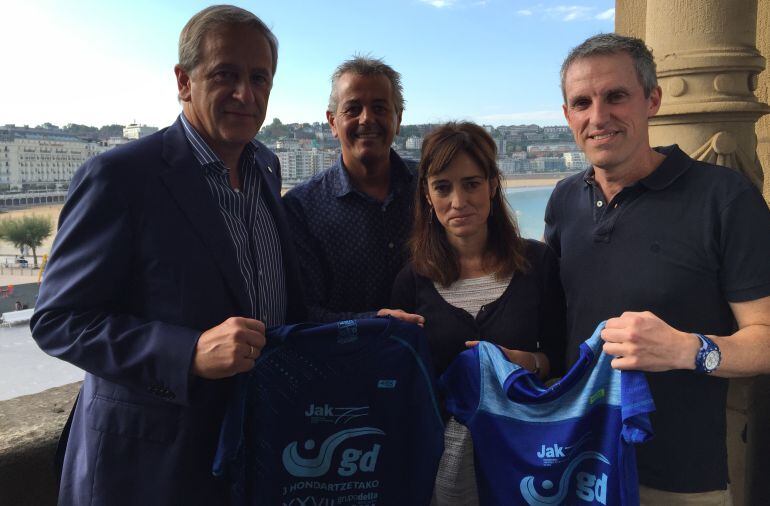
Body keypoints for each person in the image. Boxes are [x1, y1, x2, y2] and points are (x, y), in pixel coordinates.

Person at [30, 6, 304, 505]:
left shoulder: (266, 165)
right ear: (183, 81)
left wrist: (370, 320)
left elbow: (272, 302)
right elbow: (59, 320)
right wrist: (189, 352)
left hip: (250, 453)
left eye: (259, 77)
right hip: (148, 470)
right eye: (226, 74)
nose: (246, 94)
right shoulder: (120, 176)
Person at [545, 33, 770, 505]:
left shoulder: (724, 199)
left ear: (653, 99)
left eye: (616, 96)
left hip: (681, 481)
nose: (598, 116)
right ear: (568, 116)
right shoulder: (565, 198)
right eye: (581, 102)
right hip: (577, 465)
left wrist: (688, 349)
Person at [391, 122, 566, 505]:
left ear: (492, 185)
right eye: (443, 186)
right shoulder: (412, 280)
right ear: (427, 193)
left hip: (525, 464)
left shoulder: (537, 263)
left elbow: (562, 358)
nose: (458, 201)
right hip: (444, 472)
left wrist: (528, 363)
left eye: (471, 184)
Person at [283, 56, 423, 325]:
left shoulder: (429, 187)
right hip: (345, 361)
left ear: (398, 119)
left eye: (380, 108)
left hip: (436, 359)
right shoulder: (302, 208)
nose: (367, 119)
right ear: (332, 122)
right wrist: (376, 322)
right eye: (353, 108)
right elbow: (303, 312)